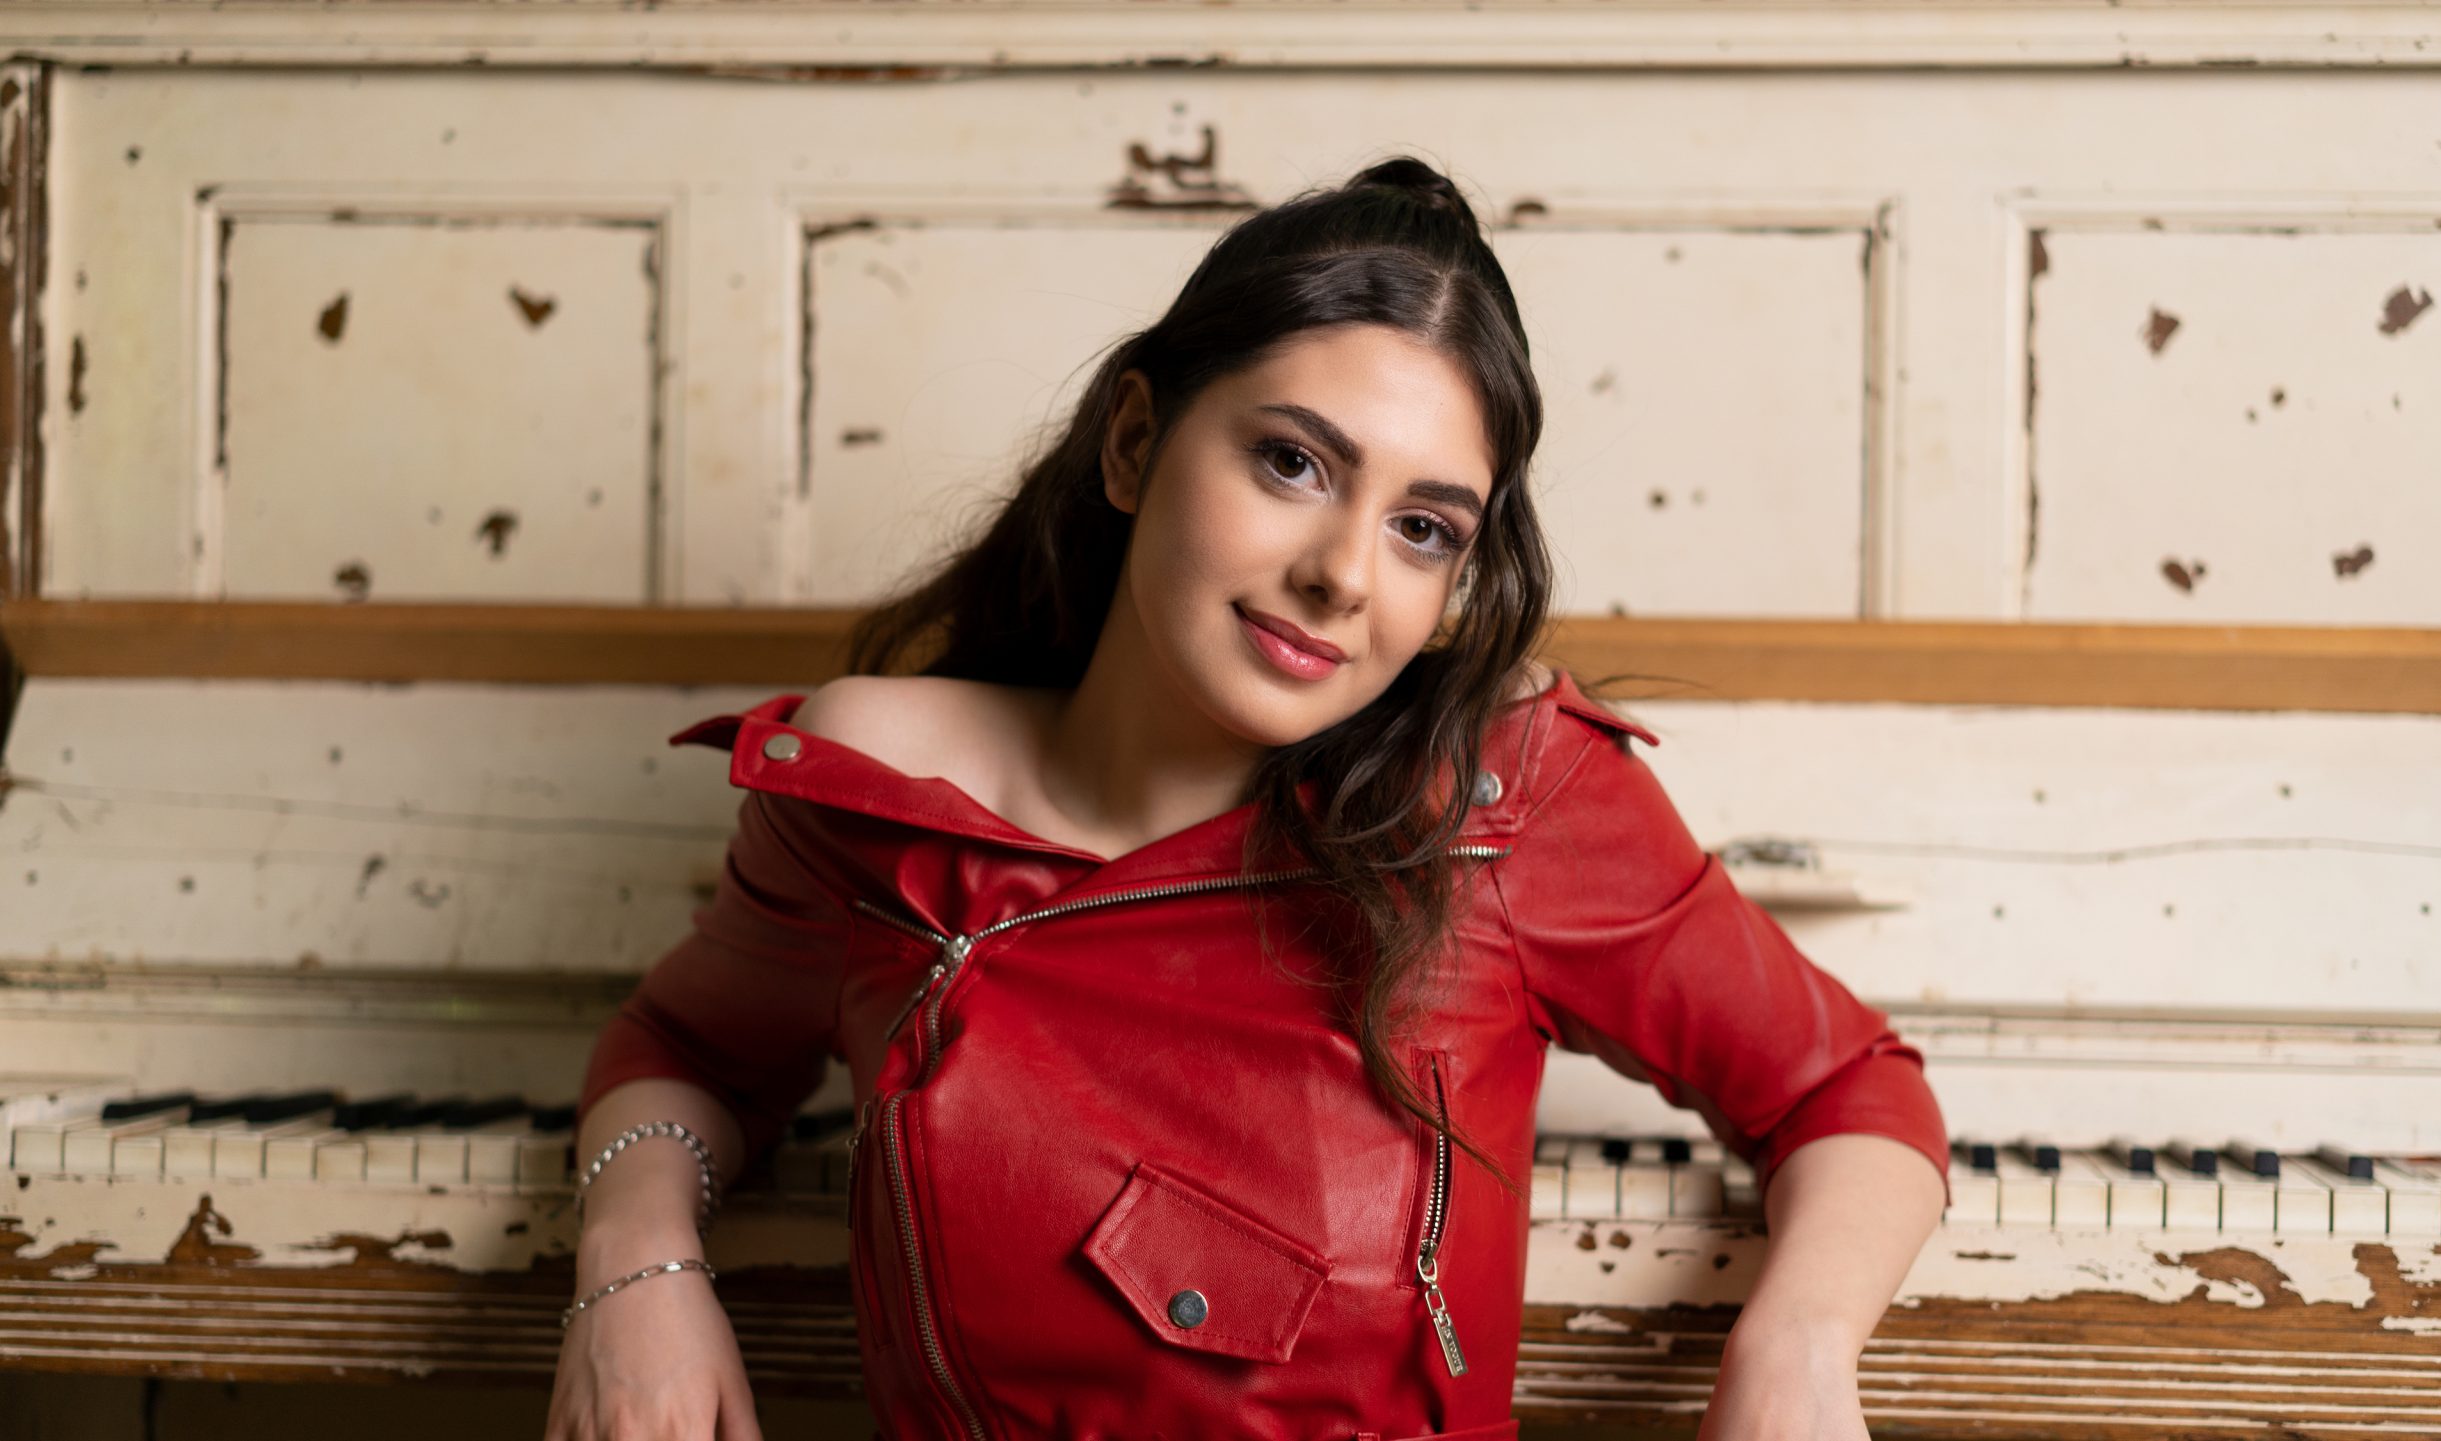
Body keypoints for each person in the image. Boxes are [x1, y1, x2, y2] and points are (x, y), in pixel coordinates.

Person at [547, 155, 1949, 1441]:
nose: (1343, 573)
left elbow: (1848, 1088)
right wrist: (635, 1258)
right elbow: (685, 1050)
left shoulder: (1498, 799)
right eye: (1293, 462)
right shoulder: (884, 794)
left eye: (1423, 529)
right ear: (1132, 443)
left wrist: (1799, 1349)